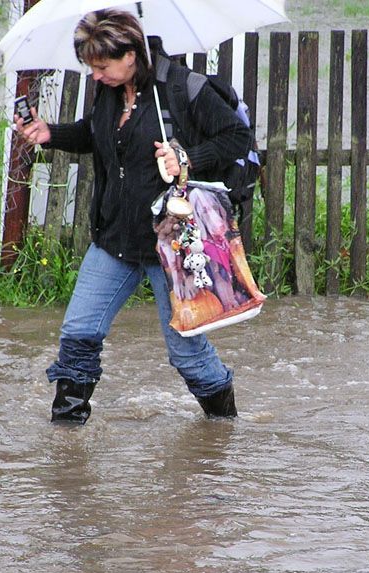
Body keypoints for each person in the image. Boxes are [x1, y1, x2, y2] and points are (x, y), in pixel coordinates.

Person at [13, 9, 251, 425]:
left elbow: (237, 137)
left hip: (173, 244)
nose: (95, 75)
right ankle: (66, 440)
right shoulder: (109, 92)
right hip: (114, 241)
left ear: (131, 54)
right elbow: (94, 133)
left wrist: (187, 157)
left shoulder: (182, 89)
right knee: (78, 336)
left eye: (102, 66)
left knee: (186, 353)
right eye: (91, 67)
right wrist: (51, 134)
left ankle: (224, 429)